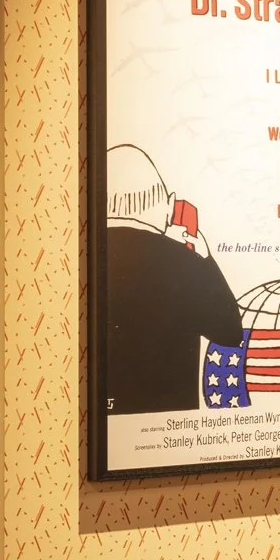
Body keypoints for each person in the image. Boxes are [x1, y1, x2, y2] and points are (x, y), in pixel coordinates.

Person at [101, 145, 245, 413]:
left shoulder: (88, 255)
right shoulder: (184, 262)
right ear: (168, 205)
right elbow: (230, 332)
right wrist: (205, 260)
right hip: (169, 423)